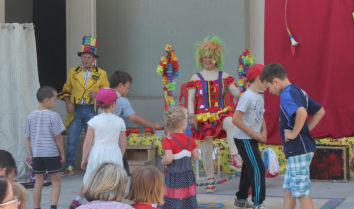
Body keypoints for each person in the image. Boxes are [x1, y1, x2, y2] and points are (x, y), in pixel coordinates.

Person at [260, 63, 325, 209]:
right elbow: (320, 111)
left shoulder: (286, 94)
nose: (269, 91)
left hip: (298, 151)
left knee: (301, 193)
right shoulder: (298, 91)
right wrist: (304, 130)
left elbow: (301, 113)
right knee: (289, 190)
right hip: (298, 150)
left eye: (269, 87)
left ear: (276, 81)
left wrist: (295, 133)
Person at [187, 36, 242, 192]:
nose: (207, 59)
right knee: (206, 148)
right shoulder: (195, 78)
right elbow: (191, 99)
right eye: (205, 56)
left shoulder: (225, 76)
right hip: (202, 116)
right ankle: (210, 178)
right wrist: (191, 115)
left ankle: (234, 157)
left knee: (231, 122)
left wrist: (249, 86)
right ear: (201, 58)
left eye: (211, 56)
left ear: (216, 59)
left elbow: (237, 93)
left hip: (220, 113)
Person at [58, 36, 109, 175]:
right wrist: (68, 103)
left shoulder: (102, 73)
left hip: (91, 110)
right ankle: (69, 166)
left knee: (92, 140)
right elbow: (66, 89)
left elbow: (107, 92)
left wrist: (97, 94)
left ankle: (92, 166)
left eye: (89, 57)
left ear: (94, 59)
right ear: (81, 58)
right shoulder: (73, 72)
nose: (86, 59)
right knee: (72, 139)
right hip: (75, 109)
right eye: (84, 57)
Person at [69, 88, 126, 209]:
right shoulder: (120, 121)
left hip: (97, 153)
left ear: (97, 104)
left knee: (91, 177)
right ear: (114, 104)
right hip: (114, 152)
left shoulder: (93, 121)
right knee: (114, 179)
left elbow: (87, 142)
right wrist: (119, 155)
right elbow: (123, 144)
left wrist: (84, 159)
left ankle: (81, 200)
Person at [109, 71, 163, 174]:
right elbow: (134, 118)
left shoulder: (103, 96)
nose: (128, 90)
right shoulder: (122, 100)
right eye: (128, 86)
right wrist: (153, 125)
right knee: (122, 170)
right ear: (120, 85)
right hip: (116, 140)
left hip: (102, 141)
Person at [25, 86, 66, 209]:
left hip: (37, 154)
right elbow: (58, 137)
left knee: (38, 182)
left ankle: (37, 207)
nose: (55, 102)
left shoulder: (30, 117)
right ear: (47, 100)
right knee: (56, 181)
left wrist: (31, 154)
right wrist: (62, 153)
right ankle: (53, 206)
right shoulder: (54, 116)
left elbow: (29, 138)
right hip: (51, 153)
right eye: (54, 99)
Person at [232, 64, 267, 209]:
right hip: (244, 138)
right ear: (259, 78)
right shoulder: (247, 96)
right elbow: (236, 119)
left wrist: (264, 132)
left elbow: (261, 116)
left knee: (248, 168)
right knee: (258, 168)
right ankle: (258, 203)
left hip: (252, 138)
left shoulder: (259, 96)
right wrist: (253, 133)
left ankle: (241, 200)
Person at [161, 106, 199, 209]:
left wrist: (163, 161)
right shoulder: (190, 139)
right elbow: (196, 156)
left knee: (174, 200)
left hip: (174, 176)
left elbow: (168, 159)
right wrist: (186, 159)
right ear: (183, 123)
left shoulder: (168, 140)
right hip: (188, 176)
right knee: (189, 199)